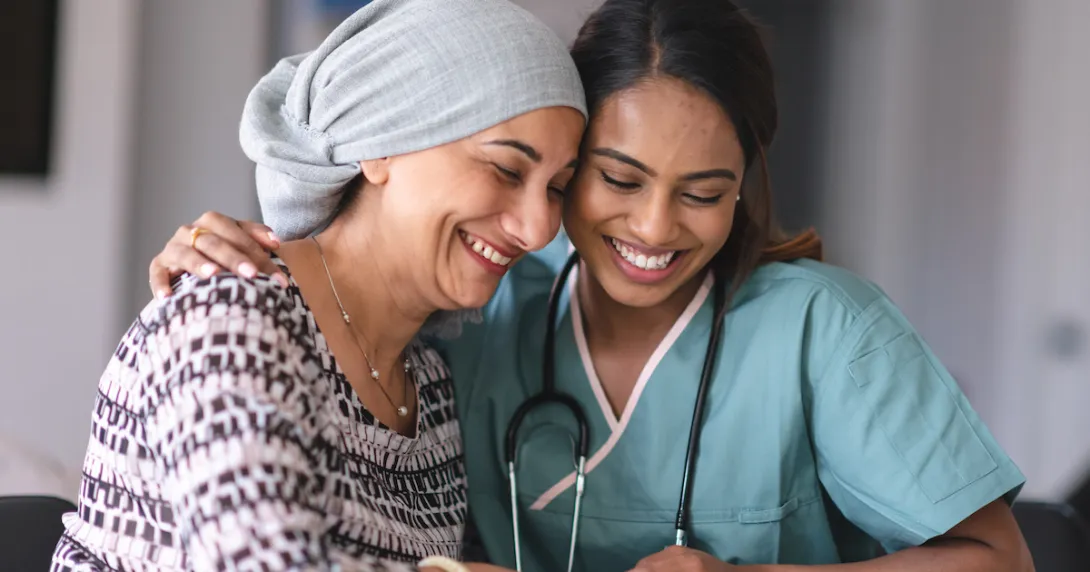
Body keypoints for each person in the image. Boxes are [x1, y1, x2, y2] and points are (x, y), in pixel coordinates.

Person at [143, 0, 1034, 571]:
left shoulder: (827, 332)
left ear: (745, 188)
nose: (653, 229)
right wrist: (247, 257)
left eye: (705, 193)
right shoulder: (480, 315)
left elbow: (999, 560)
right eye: (615, 179)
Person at [52, 0, 586, 570]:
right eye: (506, 170)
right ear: (382, 143)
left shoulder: (429, 384)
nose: (537, 228)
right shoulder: (231, 319)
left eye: (556, 188)